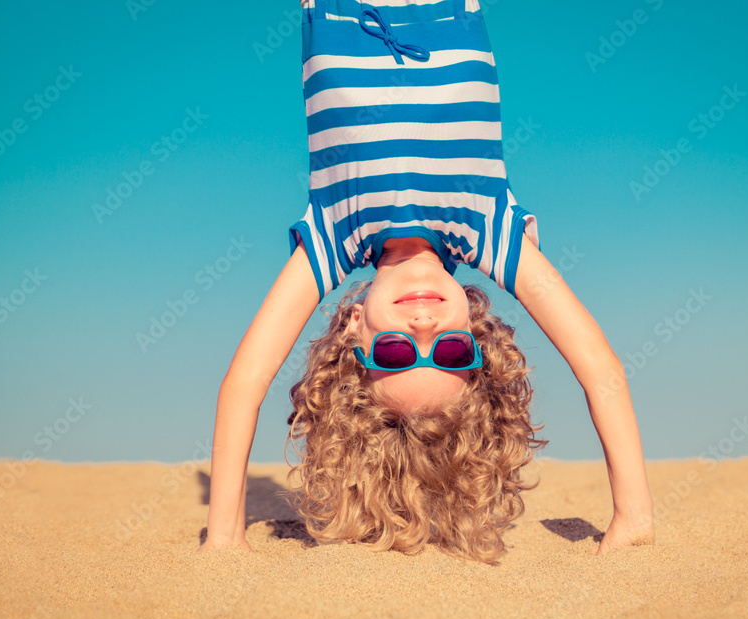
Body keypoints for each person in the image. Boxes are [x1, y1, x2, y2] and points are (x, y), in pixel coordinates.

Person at [198, 0, 654, 562]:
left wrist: (224, 534)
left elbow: (244, 383)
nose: (422, 324)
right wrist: (634, 514)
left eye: (393, 352)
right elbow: (602, 370)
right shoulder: (493, 231)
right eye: (451, 350)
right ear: (478, 335)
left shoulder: (329, 239)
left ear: (351, 329)